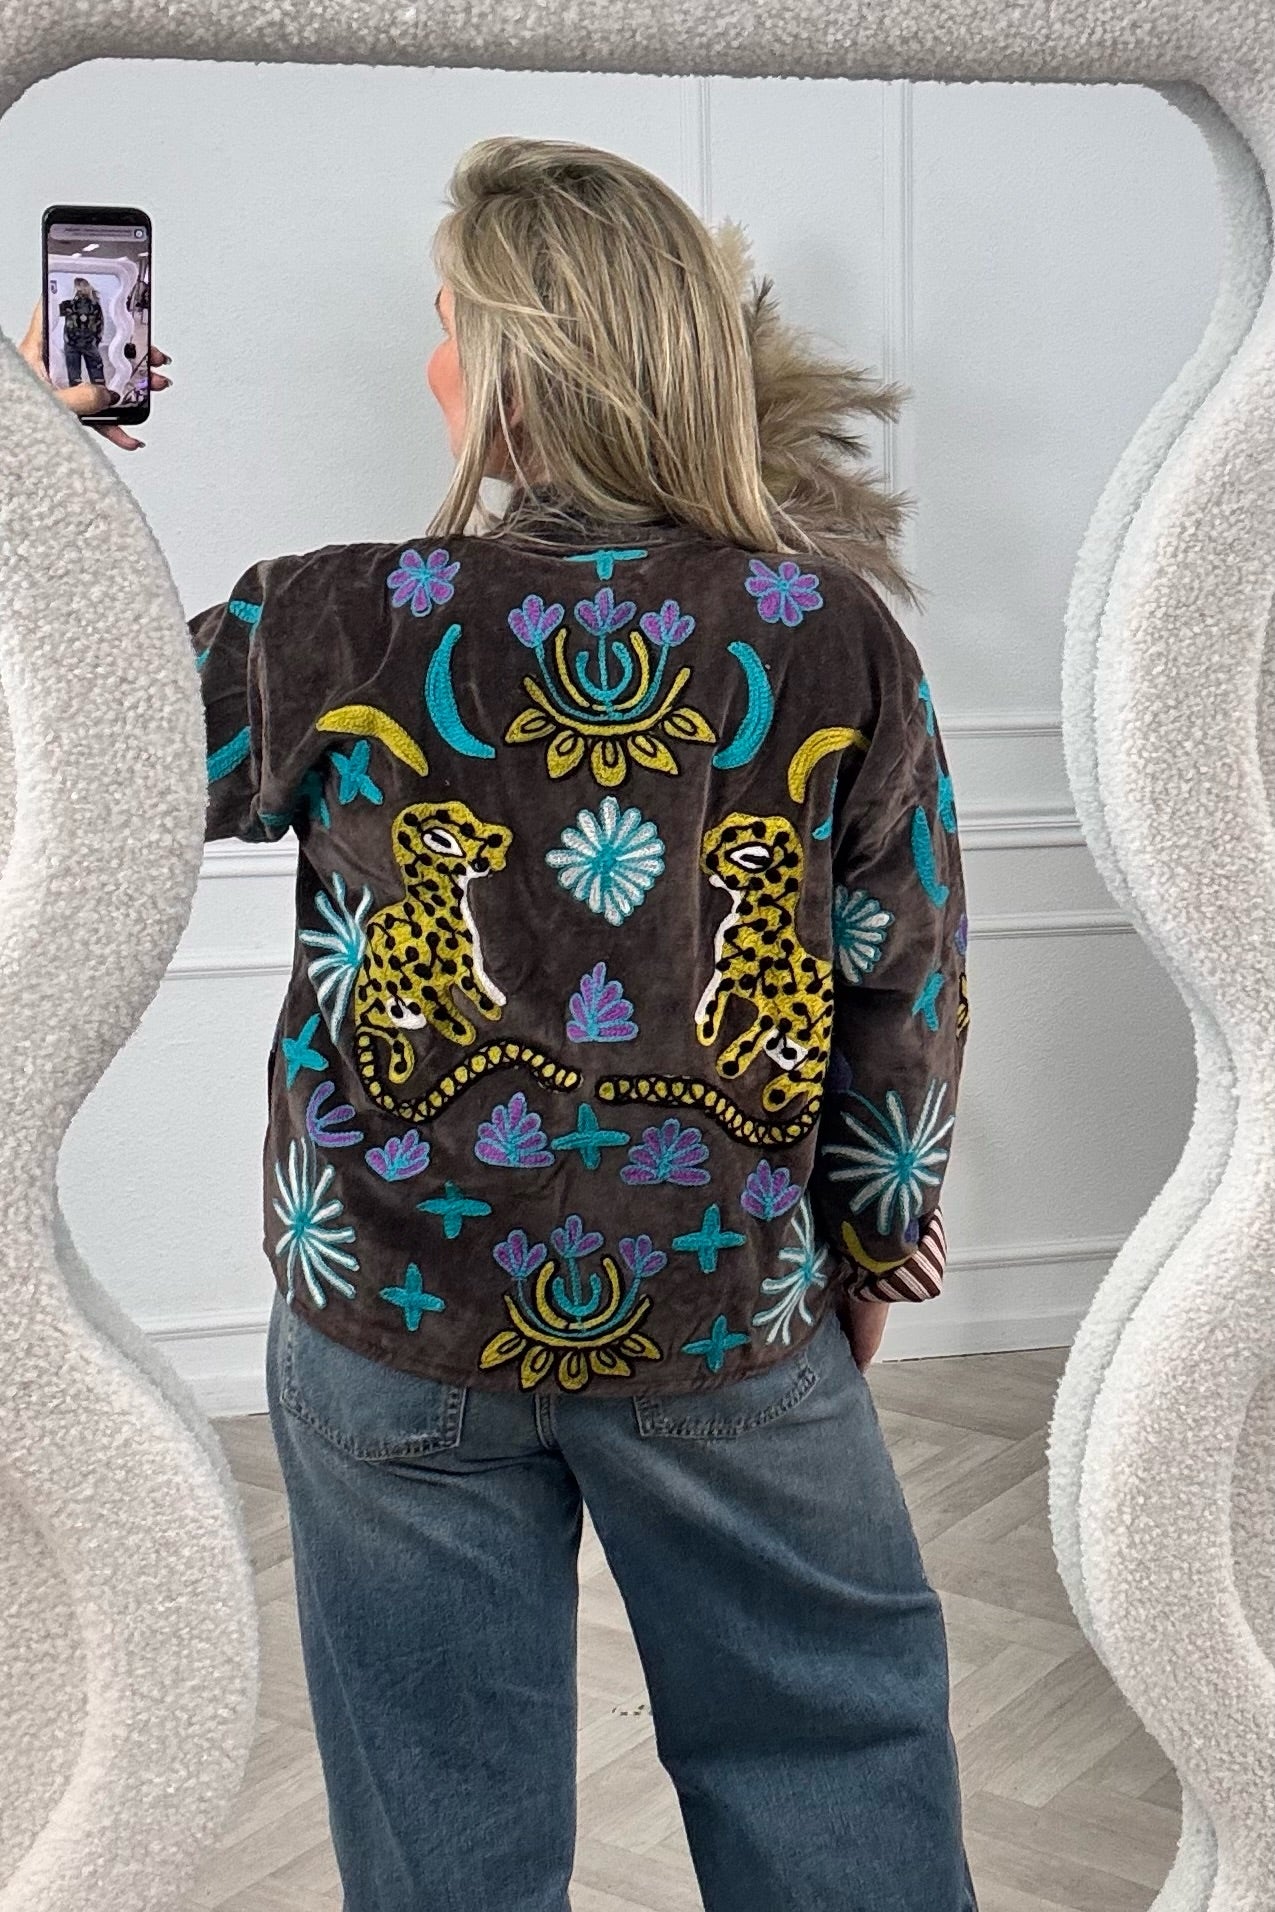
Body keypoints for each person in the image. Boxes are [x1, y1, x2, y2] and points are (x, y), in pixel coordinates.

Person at [20, 136, 976, 1911]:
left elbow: (71, 755)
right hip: (724, 1305)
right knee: (830, 1746)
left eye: (449, 328)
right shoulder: (827, 632)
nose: (432, 364)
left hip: (393, 1320)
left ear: (516, 373)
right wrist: (868, 1240)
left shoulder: (334, 620)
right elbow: (899, 966)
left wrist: (41, 463)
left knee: (440, 1823)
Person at [57, 273, 107, 387]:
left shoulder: (72, 304)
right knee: (94, 376)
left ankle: (92, 391)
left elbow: (99, 324)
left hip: (77, 343)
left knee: (78, 377)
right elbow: (100, 325)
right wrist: (96, 340)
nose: (80, 289)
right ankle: (96, 392)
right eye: (79, 286)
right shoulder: (73, 304)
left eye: (81, 286)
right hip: (80, 343)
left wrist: (96, 340)